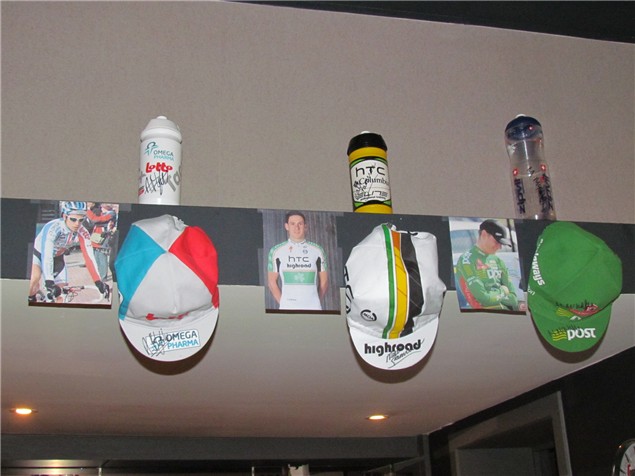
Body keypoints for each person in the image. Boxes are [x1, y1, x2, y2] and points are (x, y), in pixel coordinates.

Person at [28, 201, 110, 303]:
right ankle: (31, 298)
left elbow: (89, 257)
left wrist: (98, 282)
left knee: (61, 297)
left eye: (81, 220)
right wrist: (49, 282)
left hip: (58, 258)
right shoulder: (53, 228)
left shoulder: (82, 231)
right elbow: (47, 255)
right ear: (65, 216)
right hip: (39, 254)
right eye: (73, 219)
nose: (77, 224)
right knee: (34, 280)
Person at [267, 211, 328, 310]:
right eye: (292, 224)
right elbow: (271, 282)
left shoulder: (318, 250)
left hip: (313, 308)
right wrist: (284, 303)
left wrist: (316, 302)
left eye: (300, 224)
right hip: (287, 309)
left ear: (305, 226)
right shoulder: (276, 251)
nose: (297, 227)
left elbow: (324, 282)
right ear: (286, 226)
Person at [455, 219, 520, 311]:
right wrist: (503, 291)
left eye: (501, 244)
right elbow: (483, 299)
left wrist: (494, 296)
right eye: (497, 242)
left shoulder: (498, 261)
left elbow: (514, 300)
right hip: (480, 316)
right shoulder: (466, 260)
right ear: (484, 234)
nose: (500, 247)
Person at [85, 203, 118, 281]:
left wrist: (88, 210)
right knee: (96, 257)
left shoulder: (111, 214)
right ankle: (99, 275)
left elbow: (95, 219)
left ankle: (103, 277)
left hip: (103, 237)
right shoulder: (102, 213)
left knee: (101, 257)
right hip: (96, 237)